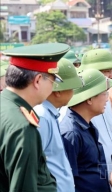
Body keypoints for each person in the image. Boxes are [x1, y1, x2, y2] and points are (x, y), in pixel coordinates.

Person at [0, 43, 70, 192]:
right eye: (52, 81)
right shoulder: (22, 126)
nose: (52, 88)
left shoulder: (5, 106)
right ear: (38, 80)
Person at [60, 68, 112, 192]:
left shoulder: (87, 126)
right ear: (89, 99)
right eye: (104, 93)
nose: (107, 99)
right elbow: (67, 182)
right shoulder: (71, 133)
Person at [34, 58, 83, 192]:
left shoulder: (50, 114)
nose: (73, 92)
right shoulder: (43, 117)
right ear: (58, 91)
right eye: (71, 87)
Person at [72, 49, 112, 179]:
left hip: (111, 174)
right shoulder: (79, 104)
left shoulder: (105, 101)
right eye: (105, 71)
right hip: (90, 175)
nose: (110, 75)